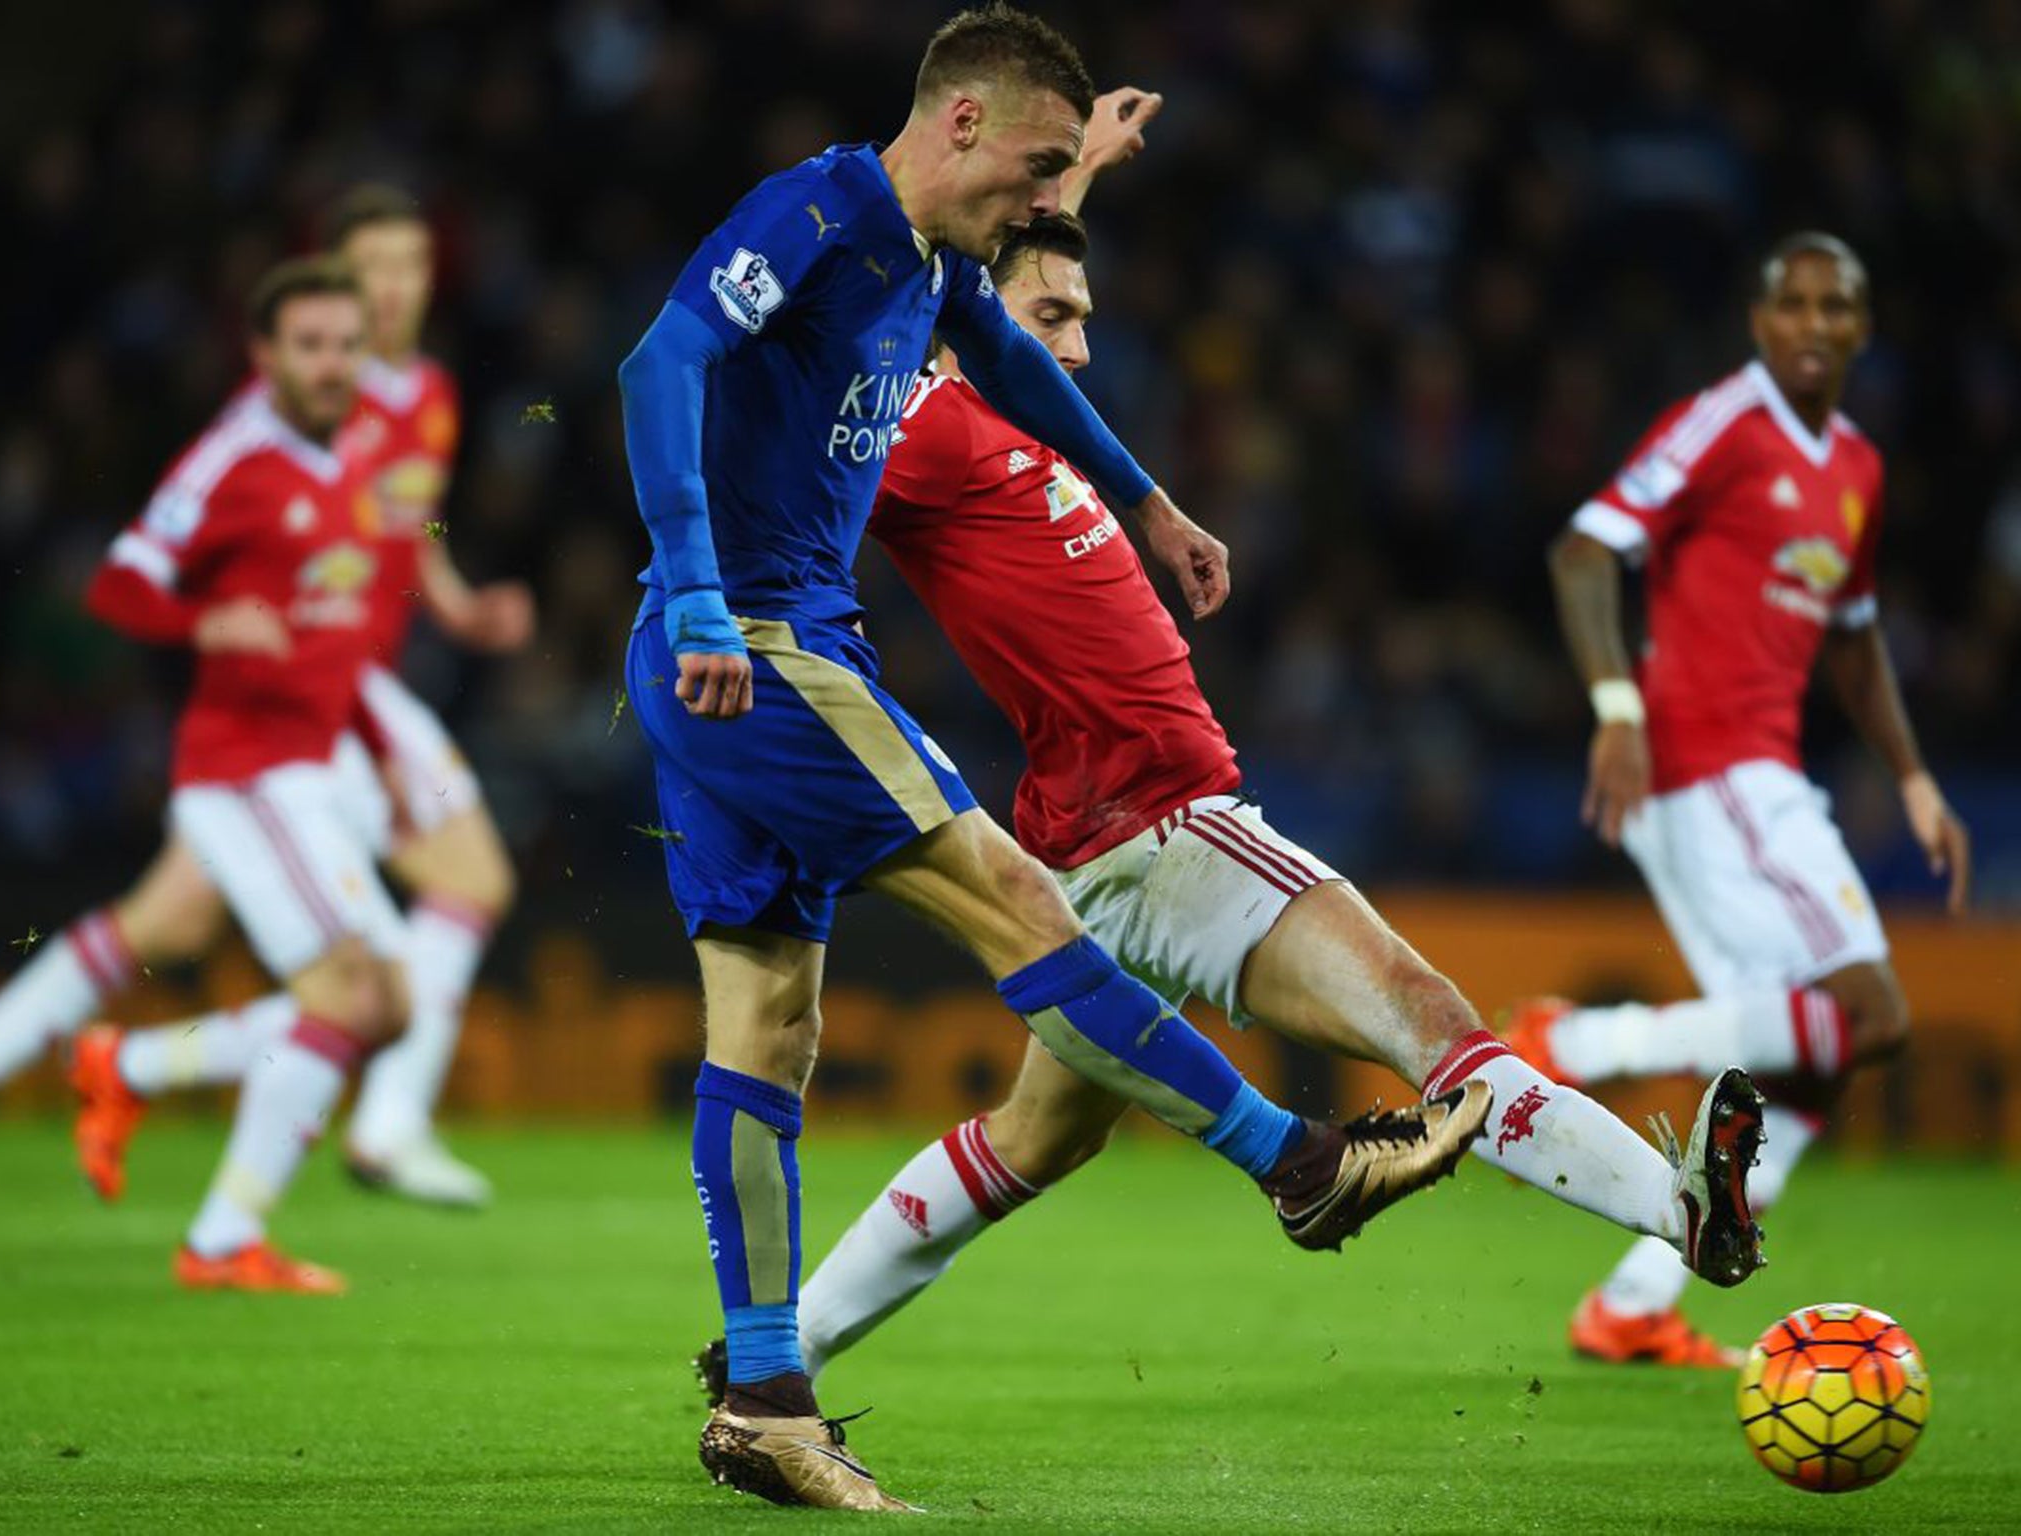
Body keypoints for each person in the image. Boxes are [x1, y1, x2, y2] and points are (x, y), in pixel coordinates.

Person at [689, 94, 1767, 1403]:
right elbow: (907, 297)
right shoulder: (919, 426)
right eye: (1056, 322)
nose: (1079, 353)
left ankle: (770, 1355)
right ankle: (1682, 1216)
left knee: (1029, 1142)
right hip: (1162, 826)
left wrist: (1075, 173)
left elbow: (999, 280)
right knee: (1433, 1025)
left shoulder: (1019, 418)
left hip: (1086, 850)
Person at [617, 7, 1487, 1513]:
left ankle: (764, 1400)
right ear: (958, 125)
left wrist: (1147, 503)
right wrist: (698, 583)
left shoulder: (937, 263)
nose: (1045, 204)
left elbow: (1018, 361)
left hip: (735, 657)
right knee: (1022, 898)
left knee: (764, 1029)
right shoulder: (816, 213)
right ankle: (1298, 1165)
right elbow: (657, 363)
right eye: (1032, 169)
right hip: (752, 642)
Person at [1502, 232, 1972, 1367]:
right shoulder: (1726, 421)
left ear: (1859, 328)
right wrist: (1615, 705)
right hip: (1712, 767)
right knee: (1872, 1017)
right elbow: (1582, 551)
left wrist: (1910, 777)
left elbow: (1851, 640)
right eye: (1793, 304)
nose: (1813, 324)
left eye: (1835, 307)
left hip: (1733, 778)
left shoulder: (1853, 465)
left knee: (1797, 1078)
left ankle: (1626, 1305)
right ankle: (1577, 1037)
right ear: (1760, 322)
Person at [64, 186, 530, 1210]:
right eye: (378, 268)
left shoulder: (431, 397)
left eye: (415, 265)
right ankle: (362, 1136)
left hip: (345, 696)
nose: (399, 286)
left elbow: (408, 531)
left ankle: (171, 1101)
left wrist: (452, 608)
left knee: (388, 961)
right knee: (393, 952)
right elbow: (167, 557)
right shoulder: (303, 407)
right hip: (298, 707)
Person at [79, 257, 408, 1293]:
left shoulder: (355, 450)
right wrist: (199, 618)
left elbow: (337, 624)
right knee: (348, 994)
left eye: (344, 345)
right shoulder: (231, 458)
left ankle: (128, 1069)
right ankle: (221, 1240)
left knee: (389, 1004)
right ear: (263, 356)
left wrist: (381, 751)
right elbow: (119, 580)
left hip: (310, 768)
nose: (329, 364)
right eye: (307, 346)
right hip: (242, 773)